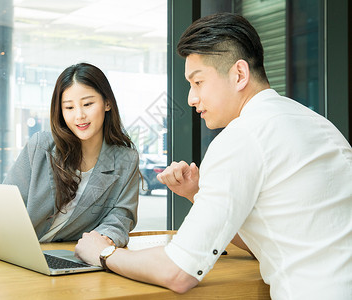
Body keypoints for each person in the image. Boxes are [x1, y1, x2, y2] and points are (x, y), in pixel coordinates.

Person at [74, 12, 352, 299]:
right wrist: (198, 194)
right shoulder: (319, 125)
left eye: (198, 82)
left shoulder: (241, 136)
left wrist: (104, 253)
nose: (191, 98)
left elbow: (178, 272)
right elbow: (276, 238)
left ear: (239, 74)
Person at [0, 63, 140, 257]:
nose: (79, 115)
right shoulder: (41, 146)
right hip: (19, 254)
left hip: (73, 257)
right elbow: (6, 203)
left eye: (88, 104)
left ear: (107, 103)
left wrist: (104, 240)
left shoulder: (126, 160)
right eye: (69, 107)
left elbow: (122, 216)